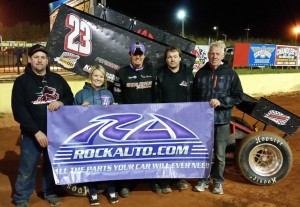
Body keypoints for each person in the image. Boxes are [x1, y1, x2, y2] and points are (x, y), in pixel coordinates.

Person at [11, 44, 74, 207]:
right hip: (32, 134)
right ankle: (22, 198)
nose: (40, 60)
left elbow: (70, 97)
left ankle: (50, 192)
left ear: (47, 61)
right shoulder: (21, 82)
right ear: (30, 59)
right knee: (27, 167)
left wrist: (61, 101)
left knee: (51, 166)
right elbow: (19, 111)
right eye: (36, 57)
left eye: (43, 57)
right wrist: (37, 132)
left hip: (55, 132)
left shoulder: (57, 79)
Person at [193, 41, 243, 195]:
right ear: (208, 55)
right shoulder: (201, 73)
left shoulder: (231, 74)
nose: (214, 56)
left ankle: (218, 182)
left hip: (222, 121)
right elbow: (194, 96)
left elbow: (238, 96)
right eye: (212, 54)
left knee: (219, 155)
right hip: (204, 122)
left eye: (217, 54)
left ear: (223, 55)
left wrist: (222, 102)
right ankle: (203, 179)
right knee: (204, 153)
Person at [113, 41, 157, 198]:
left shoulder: (152, 70)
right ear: (129, 55)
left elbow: (156, 94)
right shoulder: (121, 72)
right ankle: (125, 184)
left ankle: (151, 180)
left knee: (150, 151)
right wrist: (126, 118)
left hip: (149, 119)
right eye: (134, 53)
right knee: (128, 152)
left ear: (144, 55)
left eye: (140, 54)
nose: (137, 56)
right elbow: (117, 95)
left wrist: (153, 114)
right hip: (129, 120)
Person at [73, 65, 118, 205]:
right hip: (89, 136)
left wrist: (116, 108)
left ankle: (111, 189)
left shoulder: (109, 94)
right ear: (90, 76)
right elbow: (71, 115)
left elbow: (114, 115)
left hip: (106, 136)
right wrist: (80, 109)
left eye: (101, 76)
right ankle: (92, 192)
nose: (98, 79)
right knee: (91, 164)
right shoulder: (81, 94)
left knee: (108, 162)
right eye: (95, 75)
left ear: (104, 79)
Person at [153, 46, 193, 194]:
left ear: (180, 58)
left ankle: (178, 178)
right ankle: (164, 181)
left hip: (183, 120)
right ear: (166, 59)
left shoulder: (188, 74)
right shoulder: (160, 74)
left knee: (180, 151)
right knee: (165, 151)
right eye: (169, 57)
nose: (172, 59)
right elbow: (155, 97)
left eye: (175, 56)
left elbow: (193, 96)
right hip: (165, 120)